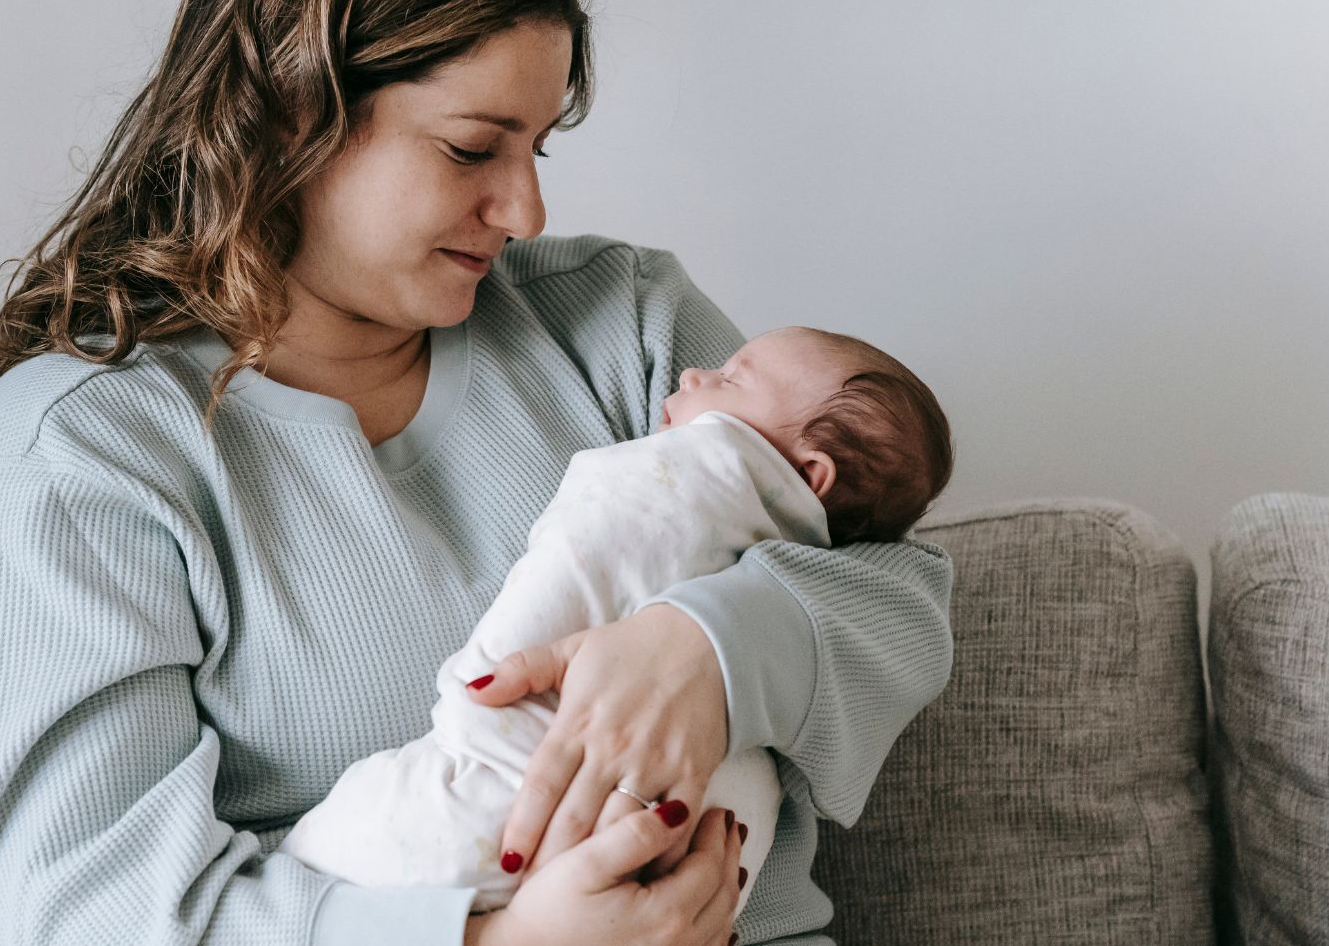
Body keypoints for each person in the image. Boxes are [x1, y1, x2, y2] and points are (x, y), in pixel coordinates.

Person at [0, 0, 955, 944]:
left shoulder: (620, 326)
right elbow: (94, 902)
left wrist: (709, 652)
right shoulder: (81, 458)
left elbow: (900, 595)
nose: (526, 209)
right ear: (290, 116)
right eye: (472, 149)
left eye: (540, 146)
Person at [278, 328, 954, 913]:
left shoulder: (676, 411)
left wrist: (706, 645)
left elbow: (914, 596)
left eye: (728, 378)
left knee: (338, 837)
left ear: (811, 476)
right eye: (470, 164)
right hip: (590, 888)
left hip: (650, 878)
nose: (695, 373)